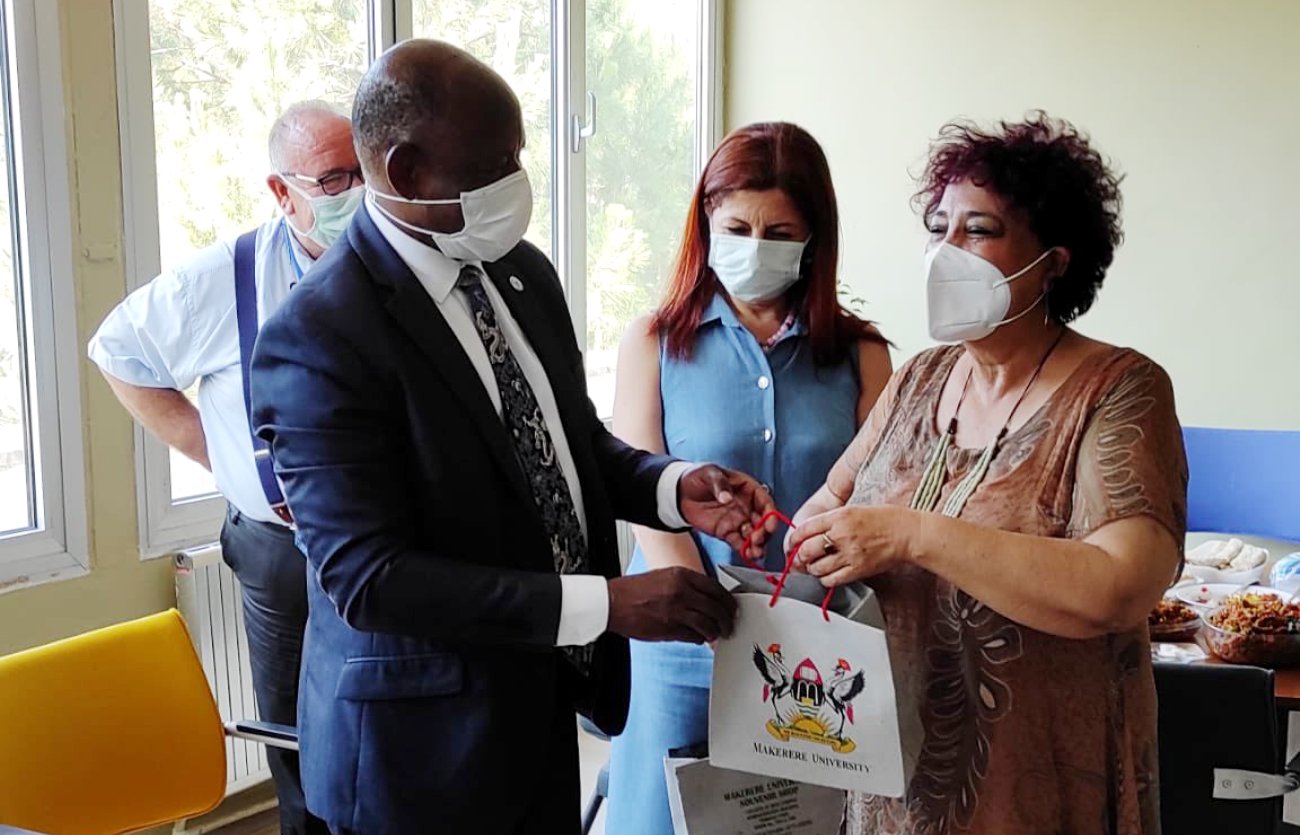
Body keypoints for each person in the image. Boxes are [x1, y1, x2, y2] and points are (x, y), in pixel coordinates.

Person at [247, 40, 777, 835]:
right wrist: (607, 604)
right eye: (499, 161)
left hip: (537, 710)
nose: (521, 180)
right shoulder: (320, 335)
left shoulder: (519, 271)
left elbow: (570, 450)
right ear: (408, 172)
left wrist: (673, 489)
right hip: (416, 750)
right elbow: (370, 579)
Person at [787, 112, 1187, 835]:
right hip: (892, 787)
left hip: (1037, 791)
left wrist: (912, 535)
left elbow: (1119, 585)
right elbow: (831, 504)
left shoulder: (1119, 390)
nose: (947, 252)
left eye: (979, 230)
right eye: (940, 227)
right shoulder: (918, 380)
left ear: (1054, 261)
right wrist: (808, 540)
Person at [606, 121, 893, 834]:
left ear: (813, 238)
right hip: (682, 641)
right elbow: (642, 494)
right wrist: (704, 615)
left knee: (796, 820)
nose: (755, 247)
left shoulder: (863, 354)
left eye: (779, 231)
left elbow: (881, 501)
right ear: (706, 222)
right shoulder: (653, 341)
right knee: (665, 814)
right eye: (736, 226)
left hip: (815, 654)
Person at [88, 101, 362, 835]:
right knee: (295, 731)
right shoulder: (222, 279)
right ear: (283, 192)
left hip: (387, 541)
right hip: (280, 550)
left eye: (368, 172)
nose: (358, 193)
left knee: (388, 721)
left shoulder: (400, 262)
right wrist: (216, 450)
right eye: (337, 178)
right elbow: (116, 350)